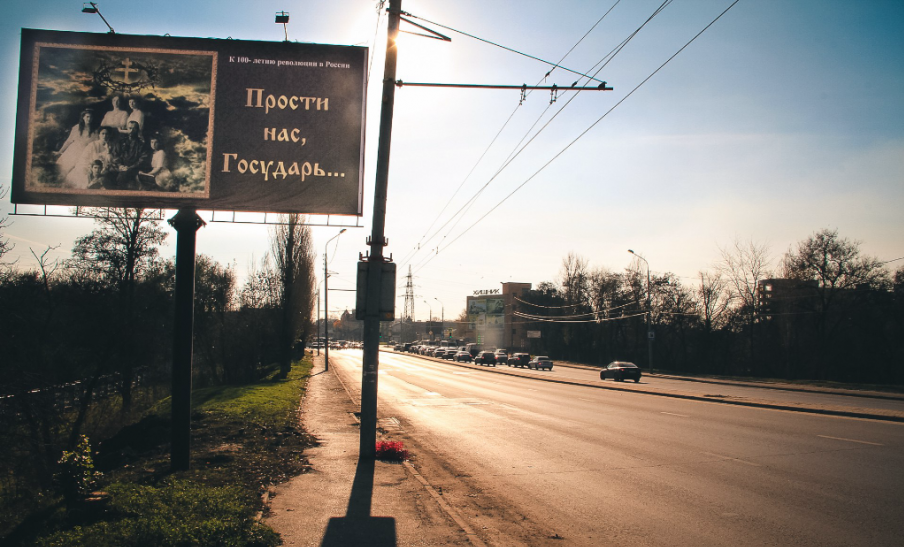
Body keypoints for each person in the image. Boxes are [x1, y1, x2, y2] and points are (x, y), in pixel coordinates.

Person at [55, 110, 98, 181]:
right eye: (87, 117)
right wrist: (60, 152)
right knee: (65, 168)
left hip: (86, 152)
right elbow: (68, 141)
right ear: (83, 118)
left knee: (79, 171)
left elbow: (96, 143)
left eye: (91, 117)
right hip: (74, 150)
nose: (89, 119)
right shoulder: (76, 128)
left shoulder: (94, 130)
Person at [110, 120, 148, 189]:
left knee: (121, 177)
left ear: (137, 130)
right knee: (108, 174)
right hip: (120, 167)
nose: (131, 131)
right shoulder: (121, 142)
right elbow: (115, 155)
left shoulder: (141, 145)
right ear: (127, 129)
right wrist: (120, 165)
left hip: (134, 169)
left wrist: (130, 168)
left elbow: (142, 160)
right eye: (130, 128)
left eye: (134, 129)